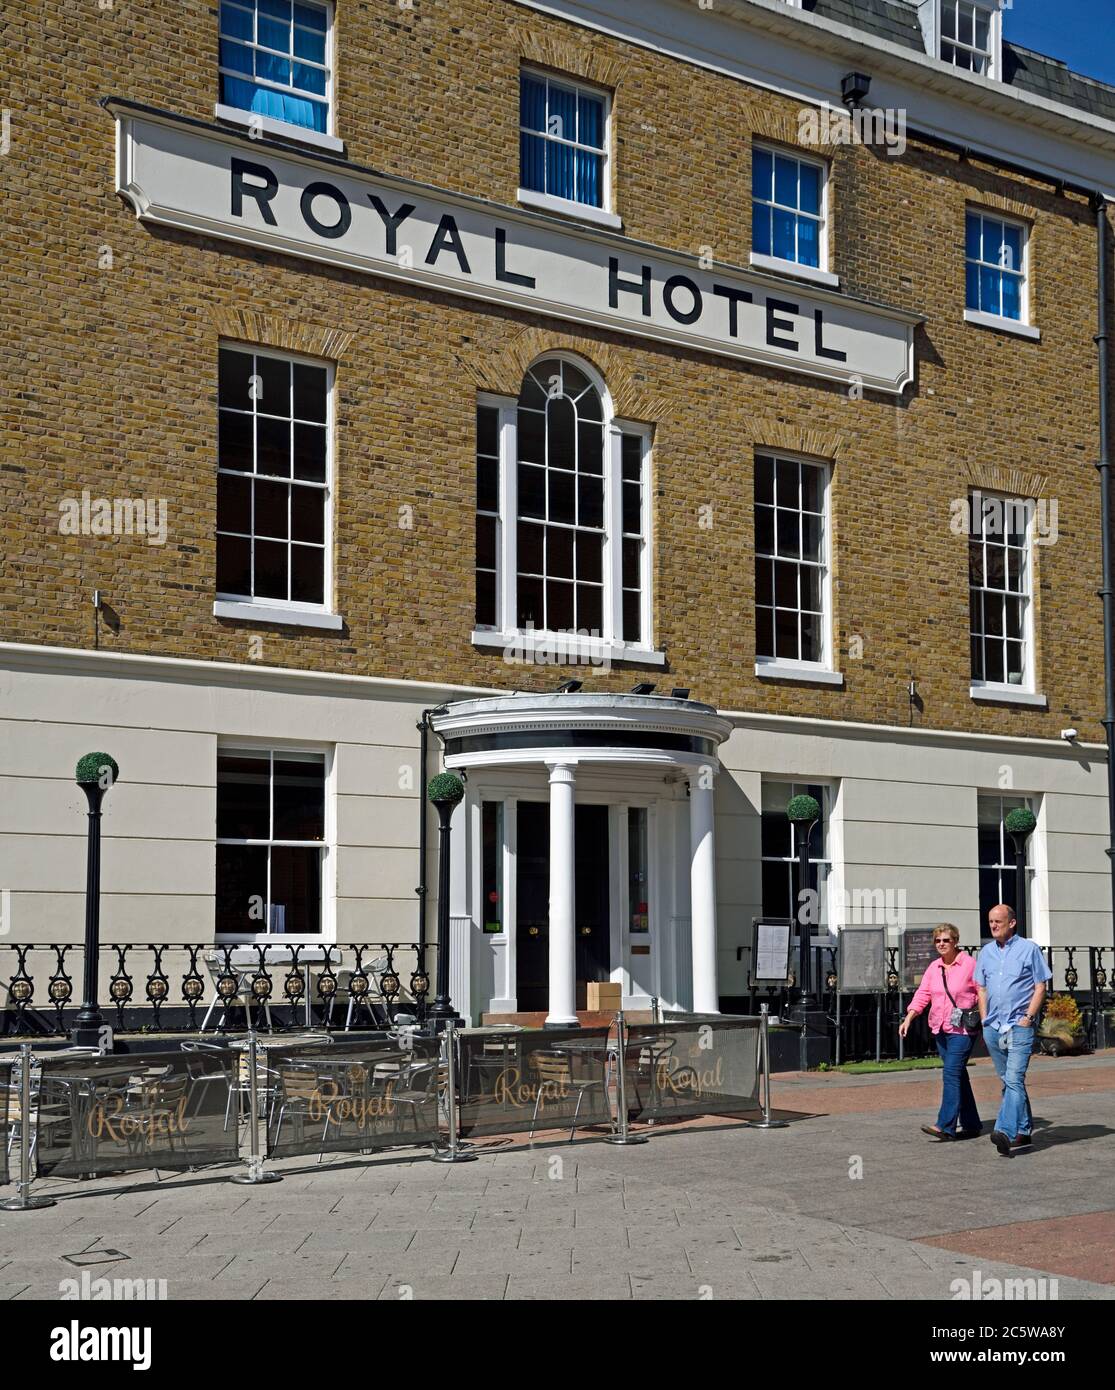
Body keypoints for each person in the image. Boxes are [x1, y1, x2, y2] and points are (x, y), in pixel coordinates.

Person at [975, 903, 1052, 1156]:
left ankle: (1005, 1131)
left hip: (1019, 1026)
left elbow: (1040, 986)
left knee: (1014, 1080)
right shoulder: (986, 952)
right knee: (1008, 1081)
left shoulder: (1029, 949)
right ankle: (1024, 1130)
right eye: (990, 922)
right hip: (994, 1026)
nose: (993, 926)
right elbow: (982, 988)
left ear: (1012, 923)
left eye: (998, 921)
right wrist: (985, 1019)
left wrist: (1028, 1018)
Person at [899, 924, 981, 1140]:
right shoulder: (933, 968)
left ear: (955, 941)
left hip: (963, 1030)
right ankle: (971, 1123)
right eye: (938, 941)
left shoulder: (969, 965)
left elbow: (983, 992)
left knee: (951, 1073)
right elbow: (923, 994)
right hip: (940, 1028)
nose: (942, 944)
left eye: (946, 940)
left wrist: (987, 1017)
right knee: (958, 1075)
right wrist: (909, 1017)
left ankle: (945, 1125)